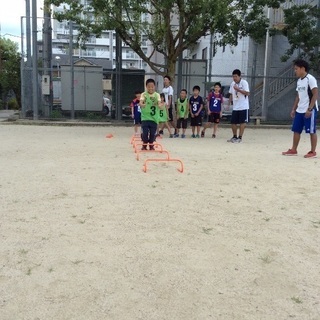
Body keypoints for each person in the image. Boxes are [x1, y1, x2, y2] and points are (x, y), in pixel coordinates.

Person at [282, 59, 318, 158]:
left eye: (296, 69)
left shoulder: (310, 79)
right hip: (300, 110)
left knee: (311, 130)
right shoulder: (299, 81)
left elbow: (315, 94)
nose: (295, 71)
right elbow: (298, 96)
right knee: (296, 130)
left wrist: (310, 109)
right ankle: (294, 149)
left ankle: (312, 151)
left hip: (309, 109)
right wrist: (294, 109)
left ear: (303, 68)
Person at [227, 69, 250, 143]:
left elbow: (247, 93)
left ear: (239, 76)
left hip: (243, 106)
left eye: (236, 76)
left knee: (242, 122)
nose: (234, 78)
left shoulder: (244, 83)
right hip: (235, 106)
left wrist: (238, 90)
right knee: (233, 122)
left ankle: (240, 137)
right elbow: (231, 93)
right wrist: (229, 103)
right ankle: (234, 136)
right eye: (233, 76)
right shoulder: (232, 83)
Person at [139, 79, 162, 150]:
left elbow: (159, 103)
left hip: (154, 118)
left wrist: (160, 105)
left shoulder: (157, 95)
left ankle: (151, 144)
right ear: (146, 87)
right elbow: (141, 102)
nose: (150, 88)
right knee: (145, 133)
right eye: (149, 86)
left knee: (153, 133)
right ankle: (144, 144)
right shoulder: (144, 94)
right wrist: (142, 104)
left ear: (154, 86)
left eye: (152, 86)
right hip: (145, 117)